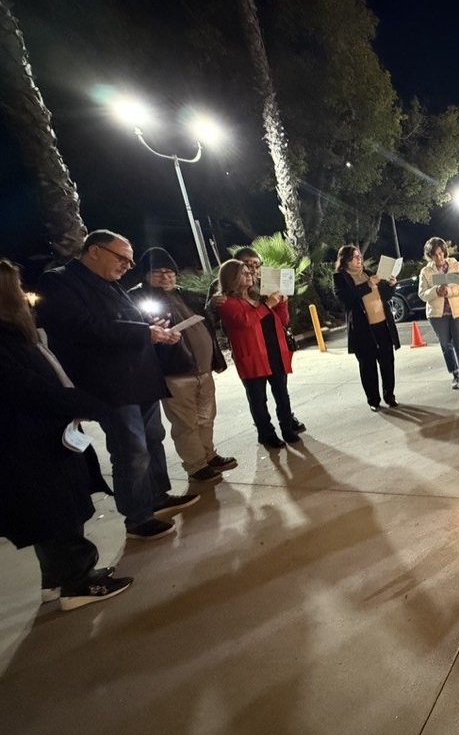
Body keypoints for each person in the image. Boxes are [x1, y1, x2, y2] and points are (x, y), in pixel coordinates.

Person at [35, 229, 199, 541]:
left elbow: (129, 323)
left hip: (141, 378)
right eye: (121, 258)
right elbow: (82, 328)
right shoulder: (59, 281)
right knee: (131, 450)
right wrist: (143, 333)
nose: (127, 266)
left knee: (153, 439)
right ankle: (137, 516)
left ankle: (158, 496)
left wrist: (155, 331)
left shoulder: (112, 285)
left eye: (130, 261)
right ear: (94, 250)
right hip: (110, 384)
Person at [0, 258, 134, 610]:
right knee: (58, 509)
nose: (22, 293)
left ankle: (56, 580)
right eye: (14, 286)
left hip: (37, 438)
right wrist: (85, 403)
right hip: (30, 442)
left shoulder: (14, 333)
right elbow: (27, 388)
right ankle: (78, 583)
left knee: (48, 512)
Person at [128, 247, 237, 482]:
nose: (166, 277)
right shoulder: (137, 299)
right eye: (158, 272)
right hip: (174, 373)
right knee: (185, 422)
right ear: (146, 275)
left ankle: (209, 455)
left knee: (206, 417)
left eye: (170, 272)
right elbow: (134, 332)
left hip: (203, 370)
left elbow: (208, 320)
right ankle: (196, 465)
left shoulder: (185, 295)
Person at [208, 246, 306, 434]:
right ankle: (265, 431)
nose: (251, 270)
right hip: (250, 350)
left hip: (273, 348)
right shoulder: (223, 294)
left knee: (281, 392)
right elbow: (229, 317)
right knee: (257, 396)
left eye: (255, 265)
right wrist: (212, 303)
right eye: (246, 266)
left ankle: (287, 423)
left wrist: (282, 302)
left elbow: (281, 319)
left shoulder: (262, 286)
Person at [332, 245, 401, 411]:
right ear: (346, 261)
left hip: (382, 325)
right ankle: (373, 400)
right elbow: (347, 300)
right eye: (355, 257)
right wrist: (367, 285)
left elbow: (384, 295)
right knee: (367, 367)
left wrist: (391, 285)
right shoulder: (340, 278)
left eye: (359, 256)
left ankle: (389, 395)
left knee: (387, 363)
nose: (359, 260)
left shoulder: (368, 273)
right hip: (363, 329)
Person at [417, 237, 459, 392]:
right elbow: (422, 294)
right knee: (446, 345)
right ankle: (455, 375)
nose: (439, 257)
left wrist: (450, 291)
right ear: (429, 256)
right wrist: (436, 291)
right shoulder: (426, 271)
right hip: (437, 315)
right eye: (435, 255)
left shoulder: (455, 265)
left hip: (458, 310)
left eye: (441, 253)